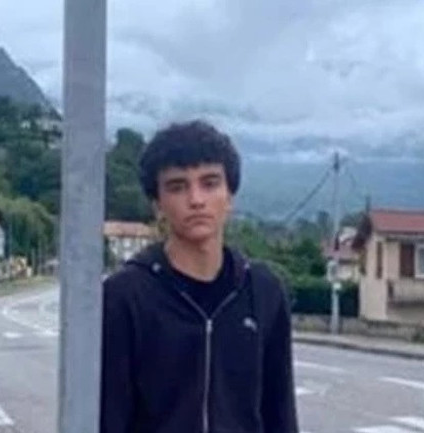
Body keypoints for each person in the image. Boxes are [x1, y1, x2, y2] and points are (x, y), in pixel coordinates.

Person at [100, 120, 299, 433]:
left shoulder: (264, 291)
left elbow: (280, 413)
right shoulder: (124, 296)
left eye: (210, 183)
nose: (196, 199)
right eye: (177, 187)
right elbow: (110, 415)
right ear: (157, 205)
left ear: (230, 196)